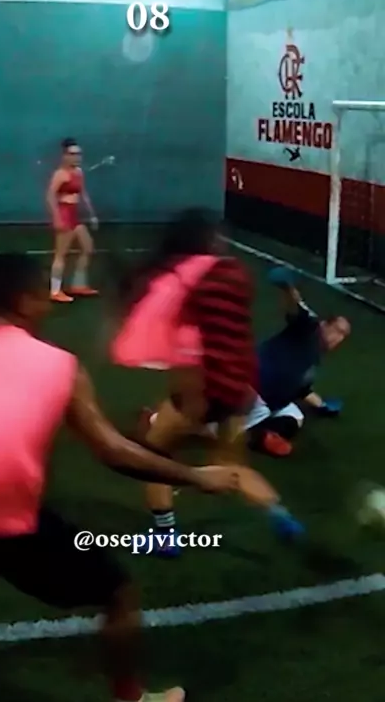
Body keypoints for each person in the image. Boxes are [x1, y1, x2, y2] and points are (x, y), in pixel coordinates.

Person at [0, 251, 257, 701]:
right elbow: (112, 450)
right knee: (120, 593)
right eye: (42, 294)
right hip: (17, 526)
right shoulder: (60, 365)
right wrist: (196, 476)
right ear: (24, 301)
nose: (48, 304)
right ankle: (132, 698)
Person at [109, 209, 302, 557]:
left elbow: (188, 344)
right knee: (232, 464)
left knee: (153, 456)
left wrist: (191, 405)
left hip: (201, 388)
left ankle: (165, 536)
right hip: (239, 389)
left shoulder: (184, 282)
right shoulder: (236, 275)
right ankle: (280, 515)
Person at [244, 266, 351, 457]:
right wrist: (287, 287)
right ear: (324, 324)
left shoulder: (313, 356)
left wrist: (322, 405)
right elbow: (297, 308)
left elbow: (301, 388)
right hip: (251, 388)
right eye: (337, 330)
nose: (338, 338)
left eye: (343, 336)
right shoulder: (309, 328)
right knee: (217, 429)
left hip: (268, 400)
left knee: (295, 417)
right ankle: (250, 436)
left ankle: (260, 435)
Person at [47, 138, 98, 302]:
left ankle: (78, 285)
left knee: (88, 248)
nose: (77, 157)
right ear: (65, 156)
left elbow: (83, 194)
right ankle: (55, 291)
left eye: (78, 154)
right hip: (64, 214)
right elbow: (50, 196)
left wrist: (92, 214)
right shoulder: (60, 174)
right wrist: (57, 218)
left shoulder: (79, 172)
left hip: (75, 215)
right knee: (61, 254)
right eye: (72, 154)